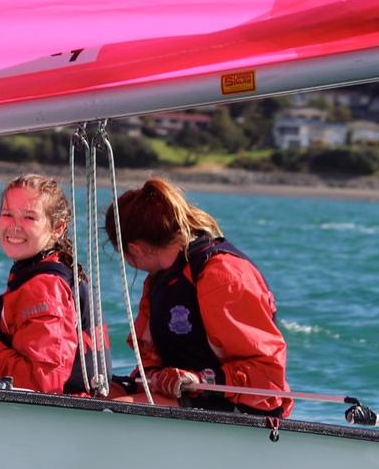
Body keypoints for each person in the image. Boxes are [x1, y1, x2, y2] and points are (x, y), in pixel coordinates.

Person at [104, 178, 292, 417]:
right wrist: (155, 375)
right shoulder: (159, 280)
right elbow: (149, 356)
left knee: (112, 412)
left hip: (242, 407)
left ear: (135, 250)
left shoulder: (222, 275)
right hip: (188, 397)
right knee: (97, 397)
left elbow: (267, 376)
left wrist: (199, 379)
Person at [0, 174, 109, 394]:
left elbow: (43, 384)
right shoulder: (40, 275)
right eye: (8, 214)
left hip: (61, 418)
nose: (15, 226)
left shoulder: (45, 288)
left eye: (29, 217)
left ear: (57, 228)